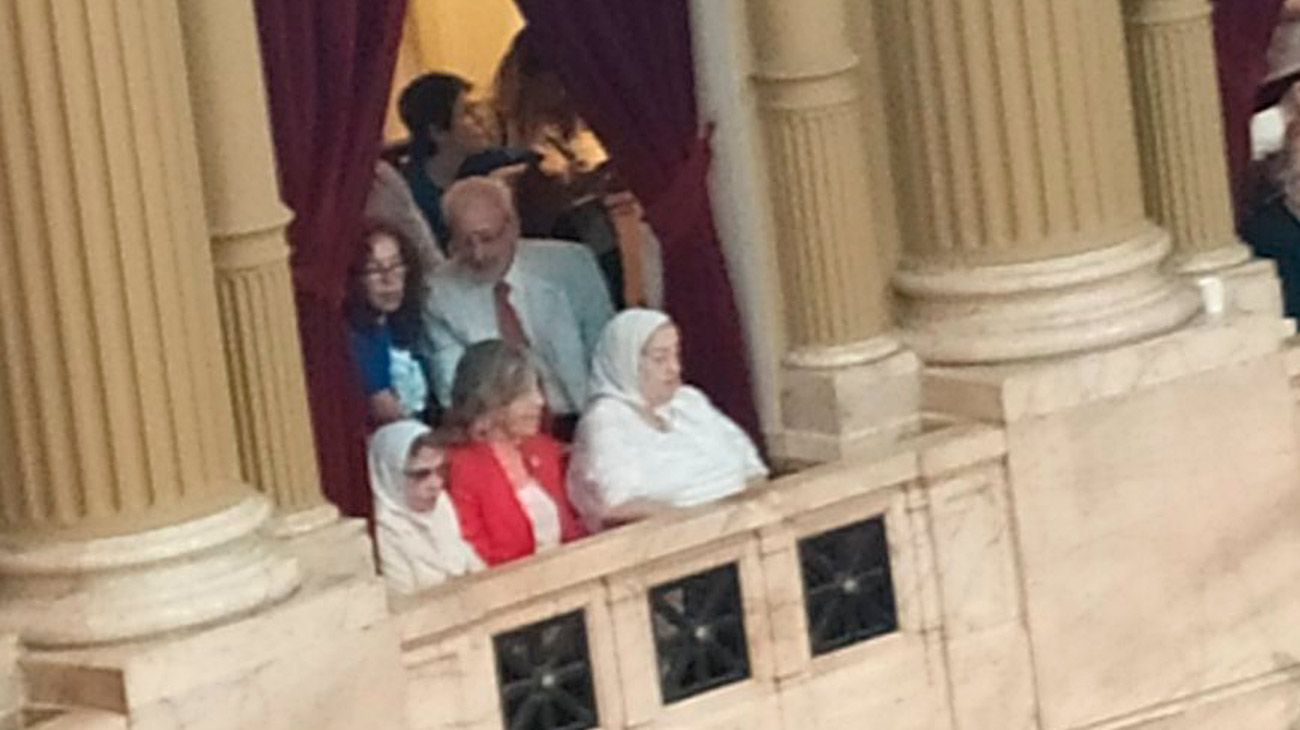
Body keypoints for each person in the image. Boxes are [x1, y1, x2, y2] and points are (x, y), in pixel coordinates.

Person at [422, 176, 615, 438]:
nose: (478, 254)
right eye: (465, 242)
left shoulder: (570, 264)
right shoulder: (439, 294)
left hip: (586, 413)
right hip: (503, 431)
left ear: (513, 226)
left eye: (487, 238)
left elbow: (606, 351)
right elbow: (455, 392)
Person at [568, 309, 767, 532]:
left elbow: (753, 469)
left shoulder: (689, 401)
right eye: (660, 359)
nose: (674, 368)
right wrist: (704, 526)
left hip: (744, 527)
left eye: (676, 355)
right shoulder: (605, 420)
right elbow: (618, 505)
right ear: (626, 361)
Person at [444, 340, 585, 566]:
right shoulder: (462, 467)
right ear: (491, 401)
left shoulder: (544, 449)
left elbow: (575, 528)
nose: (539, 401)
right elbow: (478, 554)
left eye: (538, 389)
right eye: (524, 394)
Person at [369, 421, 483, 594]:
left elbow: (470, 562)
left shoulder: (441, 503)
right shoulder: (381, 532)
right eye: (421, 474)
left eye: (441, 470)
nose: (436, 484)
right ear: (390, 473)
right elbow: (403, 604)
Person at [347, 223, 431, 426]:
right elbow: (387, 411)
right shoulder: (356, 340)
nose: (389, 279)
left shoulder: (403, 322)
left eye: (395, 265)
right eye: (374, 270)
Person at [397, 73, 493, 247]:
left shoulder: (486, 164)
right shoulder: (413, 198)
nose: (480, 119)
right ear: (438, 132)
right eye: (467, 113)